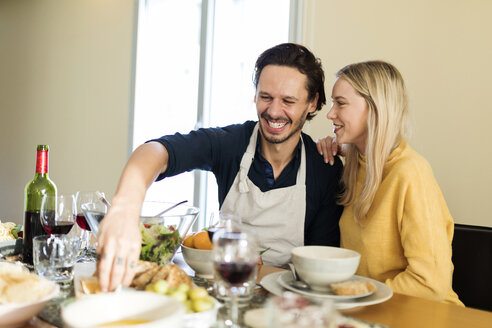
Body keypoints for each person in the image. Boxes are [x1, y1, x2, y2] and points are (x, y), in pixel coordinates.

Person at [96, 43, 344, 291]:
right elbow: (156, 151)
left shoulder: (324, 168)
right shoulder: (231, 144)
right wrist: (124, 209)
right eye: (265, 97)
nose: (273, 111)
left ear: (312, 103)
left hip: (291, 303)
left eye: (288, 100)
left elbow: (321, 270)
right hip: (226, 291)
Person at [317, 60, 462, 305]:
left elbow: (429, 283)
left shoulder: (411, 173)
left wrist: (354, 296)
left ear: (375, 109)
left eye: (340, 103)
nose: (330, 113)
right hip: (373, 310)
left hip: (422, 314)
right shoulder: (356, 166)